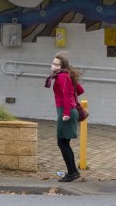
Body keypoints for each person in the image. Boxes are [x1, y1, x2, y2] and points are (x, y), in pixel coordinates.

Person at [49, 52, 84, 182]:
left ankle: (72, 173)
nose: (54, 66)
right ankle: (73, 171)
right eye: (53, 63)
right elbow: (80, 90)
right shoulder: (67, 75)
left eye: (57, 64)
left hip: (65, 111)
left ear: (63, 66)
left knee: (62, 142)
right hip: (68, 110)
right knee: (64, 142)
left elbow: (65, 96)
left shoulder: (62, 77)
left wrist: (66, 114)